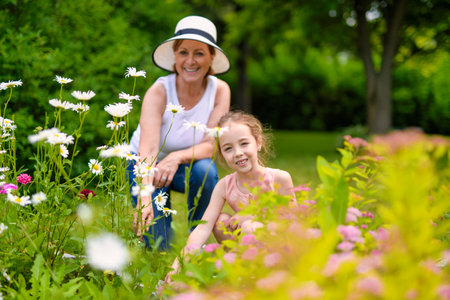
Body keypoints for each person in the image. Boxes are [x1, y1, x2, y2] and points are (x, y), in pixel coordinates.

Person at [128, 15, 231, 249]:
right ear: (175, 56)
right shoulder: (159, 91)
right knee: (158, 246)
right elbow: (148, 150)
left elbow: (210, 145)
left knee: (206, 171)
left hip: (187, 166)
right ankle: (159, 239)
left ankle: (197, 240)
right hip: (148, 166)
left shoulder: (220, 90)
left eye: (199, 53)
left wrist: (176, 157)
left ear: (211, 57)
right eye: (183, 52)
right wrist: (145, 198)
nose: (190, 61)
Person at [165, 110, 295, 281]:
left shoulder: (279, 178)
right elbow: (203, 227)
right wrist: (179, 263)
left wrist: (252, 215)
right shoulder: (225, 186)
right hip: (245, 247)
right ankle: (241, 270)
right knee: (220, 221)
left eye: (244, 143)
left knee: (250, 226)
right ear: (221, 154)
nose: (238, 153)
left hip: (278, 248)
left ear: (258, 143)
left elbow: (294, 220)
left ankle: (267, 273)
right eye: (228, 148)